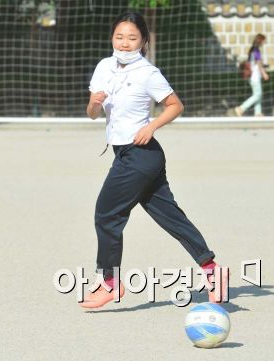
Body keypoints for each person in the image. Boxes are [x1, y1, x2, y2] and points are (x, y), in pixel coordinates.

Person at [81, 11, 228, 309]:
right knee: (170, 216)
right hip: (126, 153)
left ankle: (110, 284)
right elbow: (93, 114)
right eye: (119, 37)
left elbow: (175, 105)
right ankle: (213, 271)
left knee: (106, 214)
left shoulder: (148, 73)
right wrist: (93, 103)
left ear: (144, 41)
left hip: (140, 155)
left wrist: (151, 126)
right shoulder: (104, 67)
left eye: (132, 38)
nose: (124, 43)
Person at [235, 34, 269, 117]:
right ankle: (241, 108)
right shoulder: (256, 50)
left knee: (257, 94)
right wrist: (264, 73)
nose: (265, 42)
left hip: (253, 76)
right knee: (258, 94)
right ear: (260, 40)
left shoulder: (252, 49)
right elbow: (259, 63)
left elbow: (253, 62)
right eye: (264, 40)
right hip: (255, 76)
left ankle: (258, 113)